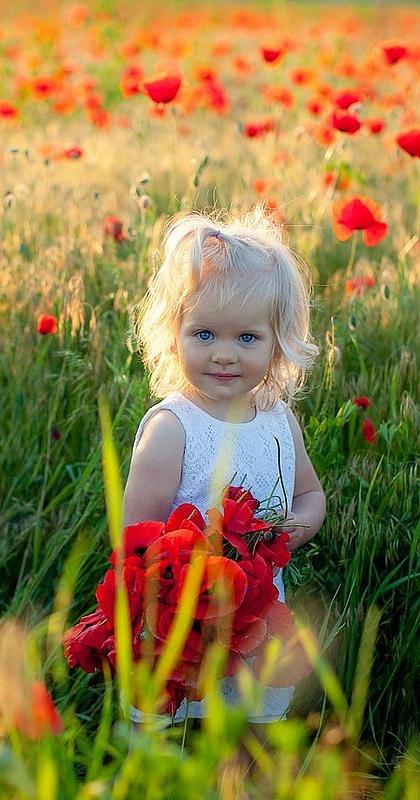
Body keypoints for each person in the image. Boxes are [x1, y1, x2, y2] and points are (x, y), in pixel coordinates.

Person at [123, 206, 326, 732]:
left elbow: (310, 497)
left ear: (278, 340)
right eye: (205, 334)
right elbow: (133, 537)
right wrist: (190, 566)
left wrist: (276, 541)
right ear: (175, 333)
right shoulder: (173, 429)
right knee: (177, 728)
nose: (225, 356)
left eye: (247, 338)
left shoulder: (277, 419)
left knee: (246, 731)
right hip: (182, 618)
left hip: (254, 610)